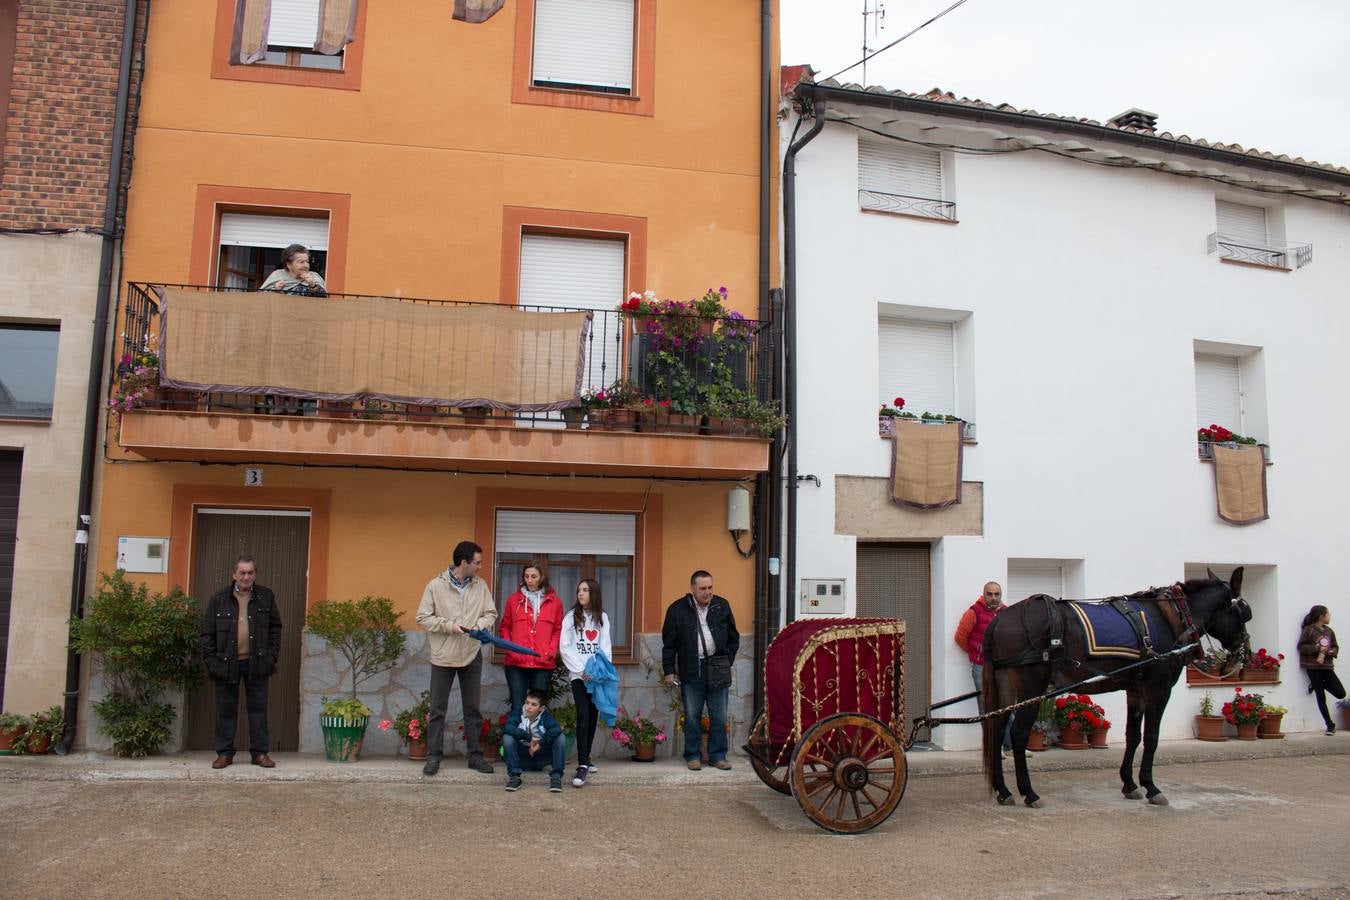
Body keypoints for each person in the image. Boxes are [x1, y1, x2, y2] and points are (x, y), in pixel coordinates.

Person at [416, 540, 498, 776]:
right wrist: (449, 626)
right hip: (443, 656)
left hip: (471, 654)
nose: (481, 567)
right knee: (437, 709)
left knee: (472, 709)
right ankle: (433, 756)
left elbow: (490, 612)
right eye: (477, 562)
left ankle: (475, 756)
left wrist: (478, 625)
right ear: (464, 562)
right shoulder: (435, 586)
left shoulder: (480, 586)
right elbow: (422, 617)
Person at [199, 556, 282, 769]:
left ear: (255, 574)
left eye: (250, 572)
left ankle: (260, 753)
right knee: (225, 710)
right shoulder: (219, 599)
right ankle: (225, 753)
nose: (246, 577)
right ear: (234, 574)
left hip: (257, 663)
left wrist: (271, 656)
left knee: (258, 710)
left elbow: (275, 628)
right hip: (226, 664)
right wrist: (212, 661)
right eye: (242, 573)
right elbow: (207, 633)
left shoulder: (266, 597)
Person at [662, 570, 739, 771]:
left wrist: (727, 659)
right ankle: (692, 756)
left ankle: (718, 756)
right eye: (703, 588)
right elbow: (669, 644)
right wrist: (669, 670)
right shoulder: (677, 609)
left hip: (718, 668)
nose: (708, 592)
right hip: (691, 669)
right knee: (692, 715)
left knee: (719, 715)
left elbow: (734, 637)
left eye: (710, 587)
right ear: (692, 589)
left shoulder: (722, 605)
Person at [559, 578, 612, 787]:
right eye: (579, 590)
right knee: (582, 713)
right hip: (578, 675)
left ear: (594, 593)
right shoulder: (571, 617)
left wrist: (597, 671)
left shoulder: (602, 618)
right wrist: (581, 670)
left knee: (592, 715)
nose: (580, 594)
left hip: (596, 675)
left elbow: (605, 646)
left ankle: (587, 758)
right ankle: (582, 765)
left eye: (585, 590)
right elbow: (565, 646)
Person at [499, 563, 563, 715]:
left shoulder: (555, 602)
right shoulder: (513, 600)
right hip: (516, 663)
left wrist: (551, 650)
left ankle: (535, 739)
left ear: (542, 578)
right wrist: (510, 649)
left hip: (542, 662)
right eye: (526, 576)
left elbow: (558, 629)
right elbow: (505, 627)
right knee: (517, 707)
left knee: (537, 710)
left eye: (533, 576)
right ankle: (518, 738)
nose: (529, 580)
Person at [955, 581, 1010, 752]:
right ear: (983, 594)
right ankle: (993, 748)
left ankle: (1010, 746)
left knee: (1009, 706)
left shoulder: (1006, 612)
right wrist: (975, 653)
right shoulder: (973, 612)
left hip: (1002, 668)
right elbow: (960, 637)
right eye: (990, 594)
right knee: (986, 707)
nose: (993, 598)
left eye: (997, 594)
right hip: (981, 667)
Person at [502, 687, 566, 792]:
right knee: (507, 737)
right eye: (527, 703)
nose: (528, 707)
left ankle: (556, 777)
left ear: (541, 708)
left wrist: (539, 744)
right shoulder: (518, 713)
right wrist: (530, 738)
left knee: (560, 737)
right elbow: (508, 728)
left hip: (541, 756)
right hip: (522, 757)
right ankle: (514, 777)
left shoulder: (545, 717)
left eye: (533, 704)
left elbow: (556, 729)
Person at [1297, 605, 1343, 735]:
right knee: (1320, 696)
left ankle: (1317, 684)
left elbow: (1335, 646)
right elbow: (1301, 646)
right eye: (1328, 614)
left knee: (1340, 693)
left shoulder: (1329, 631)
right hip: (1313, 666)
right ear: (1321, 616)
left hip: (1327, 666)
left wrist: (1332, 651)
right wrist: (1316, 648)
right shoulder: (1308, 630)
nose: (1329, 616)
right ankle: (1330, 725)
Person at [259, 244, 327, 296]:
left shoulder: (314, 276)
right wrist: (276, 291)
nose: (306, 265)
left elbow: (325, 300)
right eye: (301, 262)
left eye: (307, 261)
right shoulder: (277, 275)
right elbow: (261, 298)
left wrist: (313, 286)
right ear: (289, 264)